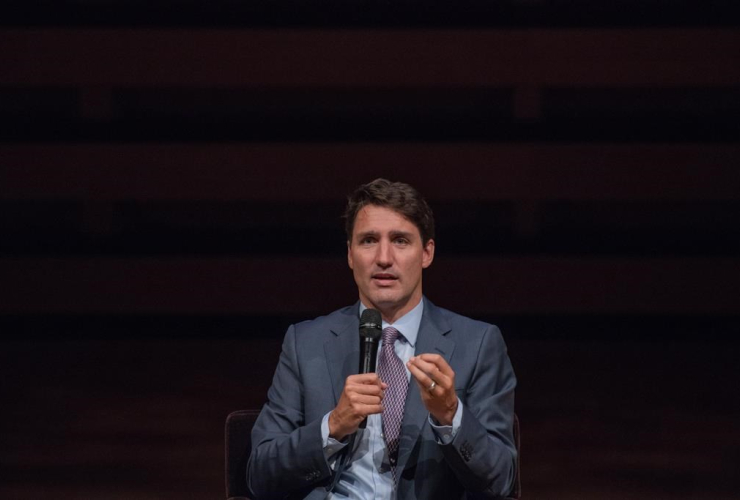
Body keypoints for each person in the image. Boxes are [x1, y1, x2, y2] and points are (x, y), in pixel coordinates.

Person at [247, 179, 517, 499]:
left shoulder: (479, 343)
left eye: (400, 240)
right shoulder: (305, 343)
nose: (384, 258)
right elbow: (259, 474)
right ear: (350, 254)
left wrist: (450, 416)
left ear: (427, 252)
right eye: (369, 240)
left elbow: (501, 481)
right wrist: (332, 426)